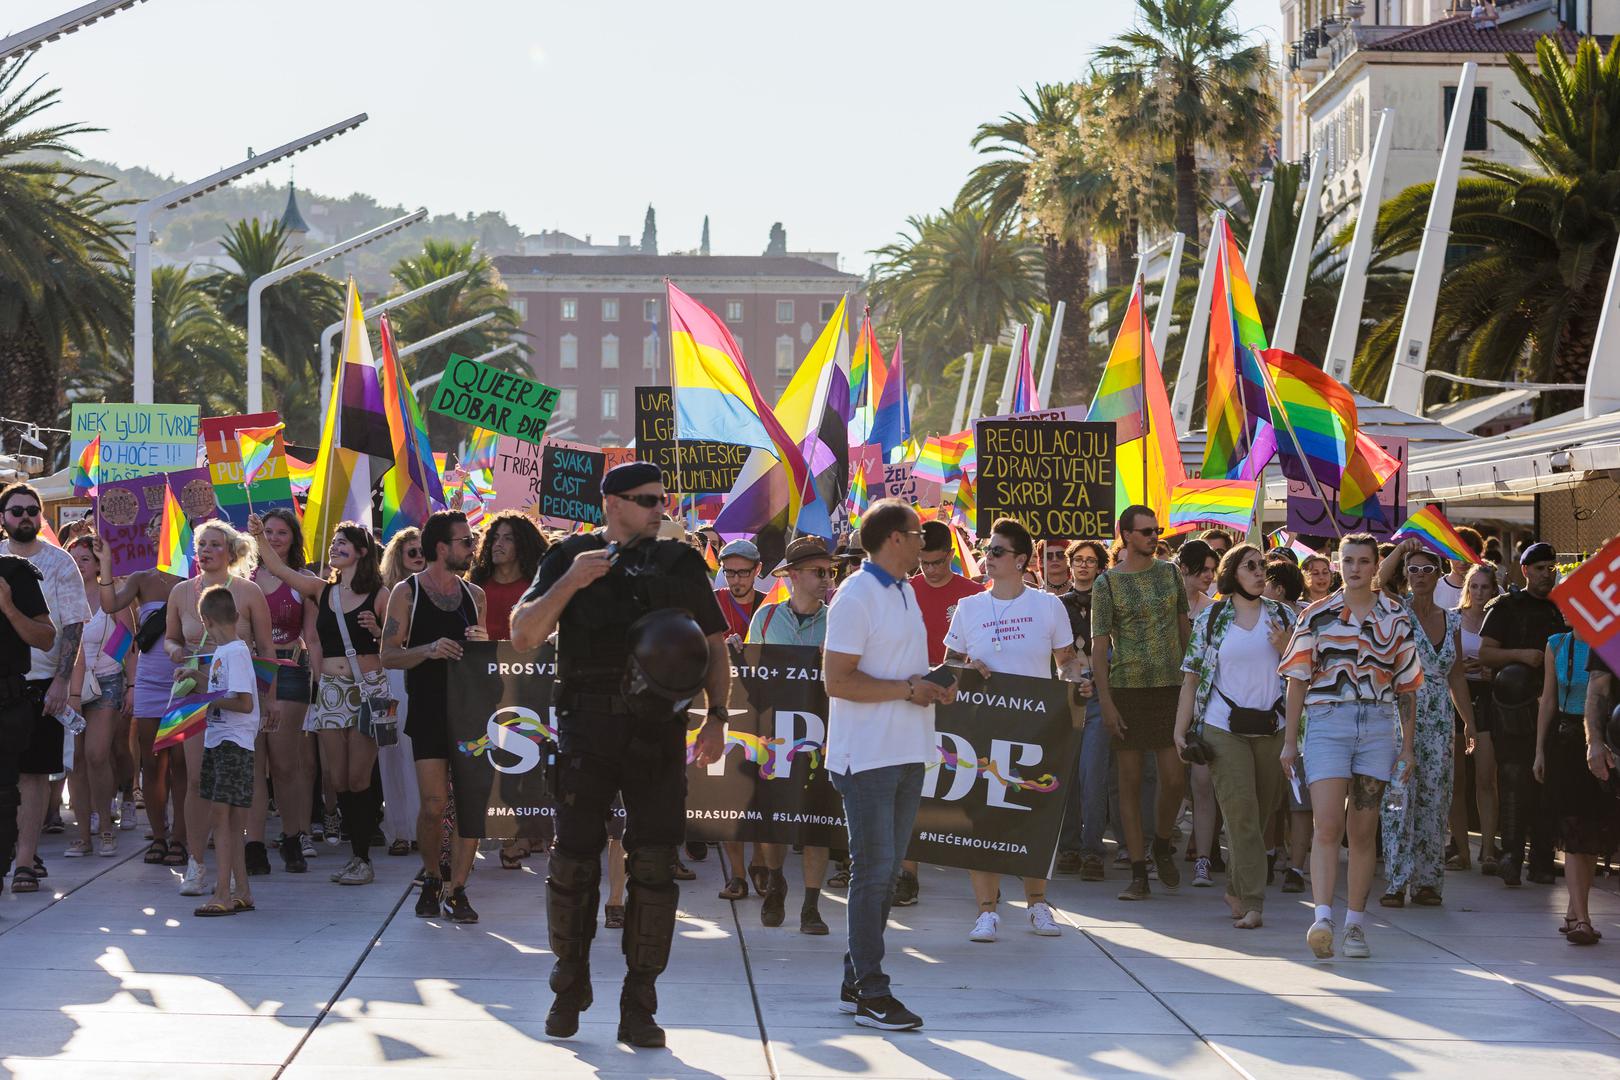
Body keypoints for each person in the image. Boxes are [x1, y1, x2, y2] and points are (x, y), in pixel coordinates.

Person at [510, 460, 730, 1048]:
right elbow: (524, 633)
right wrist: (572, 582)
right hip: (587, 729)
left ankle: (640, 1002)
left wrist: (719, 715)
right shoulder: (568, 557)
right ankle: (569, 982)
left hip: (658, 732)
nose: (662, 509)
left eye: (662, 499)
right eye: (647, 500)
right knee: (573, 859)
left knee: (655, 868)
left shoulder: (683, 563)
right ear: (612, 503)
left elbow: (714, 645)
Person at [823, 498, 955, 1031]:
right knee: (873, 875)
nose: (925, 542)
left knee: (883, 874)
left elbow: (903, 672)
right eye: (918, 532)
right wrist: (908, 689)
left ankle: (857, 981)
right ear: (894, 539)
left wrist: (940, 679)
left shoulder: (901, 590)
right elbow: (837, 680)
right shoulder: (857, 595)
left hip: (907, 752)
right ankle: (873, 992)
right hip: (868, 757)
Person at [1281, 533, 1420, 961]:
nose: (1355, 568)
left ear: (1376, 565)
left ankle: (1355, 925)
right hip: (1326, 723)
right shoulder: (1317, 615)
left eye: (1363, 560)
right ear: (1337, 564)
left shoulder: (1397, 617)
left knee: (1362, 831)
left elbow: (1408, 687)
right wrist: (1290, 741)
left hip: (1378, 727)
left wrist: (1408, 746)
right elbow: (1297, 679)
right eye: (1348, 560)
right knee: (1326, 825)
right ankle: (1322, 917)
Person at [945, 517, 1084, 942]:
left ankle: (1038, 904)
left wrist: (1078, 683)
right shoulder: (969, 607)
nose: (988, 558)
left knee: (1032, 815)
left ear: (1022, 560)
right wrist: (966, 668)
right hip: (981, 728)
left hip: (1036, 727)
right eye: (988, 550)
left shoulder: (1048, 606)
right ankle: (987, 911)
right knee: (982, 818)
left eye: (997, 552)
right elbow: (948, 664)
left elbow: (1066, 662)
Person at [251, 516, 388, 886]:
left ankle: (362, 858)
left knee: (359, 777)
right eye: (333, 542)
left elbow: (399, 640)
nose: (335, 547)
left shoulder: (381, 594)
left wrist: (379, 631)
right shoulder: (321, 590)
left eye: (343, 542)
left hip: (368, 689)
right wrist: (258, 536)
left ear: (362, 551)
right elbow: (278, 567)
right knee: (336, 776)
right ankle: (354, 858)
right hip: (330, 689)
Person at [1174, 544, 1294, 929]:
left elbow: (1307, 674)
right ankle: (1254, 901)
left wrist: (1286, 649)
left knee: (1259, 816)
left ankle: (1236, 889)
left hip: (1272, 727)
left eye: (1263, 566)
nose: (1260, 572)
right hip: (1222, 727)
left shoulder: (1282, 616)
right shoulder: (1213, 618)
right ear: (1232, 573)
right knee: (1240, 812)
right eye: (1251, 566)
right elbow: (1191, 677)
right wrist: (1180, 730)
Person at [382, 510, 487, 922]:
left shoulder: (474, 595)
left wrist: (483, 642)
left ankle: (458, 888)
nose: (472, 546)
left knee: (470, 805)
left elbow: (484, 656)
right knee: (433, 804)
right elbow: (389, 654)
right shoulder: (407, 593)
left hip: (469, 711)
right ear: (441, 547)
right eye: (465, 540)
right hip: (427, 709)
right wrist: (428, 649)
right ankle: (431, 875)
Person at [164, 520, 274, 897]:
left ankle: (236, 868)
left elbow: (266, 649)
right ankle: (196, 863)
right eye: (202, 545)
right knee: (196, 779)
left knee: (234, 784)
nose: (207, 551)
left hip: (235, 695)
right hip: (194, 691)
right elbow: (169, 638)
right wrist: (176, 651)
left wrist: (270, 697)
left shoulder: (248, 591)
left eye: (215, 544)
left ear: (230, 551)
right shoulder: (180, 592)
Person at [1092, 505, 1191, 901]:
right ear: (1126, 535)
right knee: (1129, 784)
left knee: (1173, 779)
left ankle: (1163, 843)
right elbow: (1100, 648)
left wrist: (1194, 688)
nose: (1154, 536)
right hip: (1127, 689)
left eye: (1156, 530)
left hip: (1170, 687)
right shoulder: (1107, 584)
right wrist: (1107, 703)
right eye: (1146, 531)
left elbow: (1186, 630)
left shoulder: (1170, 574)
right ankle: (1137, 870)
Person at [745, 535, 838, 934]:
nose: (826, 580)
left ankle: (812, 906)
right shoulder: (765, 619)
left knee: (818, 818)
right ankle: (777, 884)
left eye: (830, 572)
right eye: (819, 572)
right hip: (776, 736)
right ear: (794, 576)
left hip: (823, 735)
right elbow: (750, 680)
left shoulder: (837, 620)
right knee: (773, 817)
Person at [1375, 540, 1476, 907]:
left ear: (1439, 574)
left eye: (1426, 569)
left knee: (1435, 799)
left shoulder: (1452, 619)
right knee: (1399, 798)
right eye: (1413, 570)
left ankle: (1428, 881)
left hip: (1438, 721)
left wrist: (1468, 723)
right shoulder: (1397, 611)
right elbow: (1376, 583)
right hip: (1400, 714)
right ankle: (1396, 879)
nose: (1419, 576)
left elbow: (1457, 675)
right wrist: (1402, 551)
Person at [0, 484, 90, 895]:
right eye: (16, 511)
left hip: (41, 684)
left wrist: (61, 682)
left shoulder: (61, 563)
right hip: (3, 681)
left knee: (34, 776)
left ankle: (24, 861)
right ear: (2, 518)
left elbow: (72, 626)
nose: (25, 518)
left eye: (31, 511)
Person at [92, 535, 187, 868]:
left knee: (180, 764)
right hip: (149, 680)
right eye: (159, 527)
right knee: (152, 762)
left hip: (186, 681)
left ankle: (181, 836)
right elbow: (109, 605)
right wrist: (105, 563)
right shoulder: (141, 578)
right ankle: (159, 836)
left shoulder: (195, 576)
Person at [1478, 541, 1565, 887]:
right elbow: (1486, 653)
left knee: (1550, 785)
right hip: (1513, 710)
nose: (1547, 573)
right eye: (1540, 567)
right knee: (1515, 782)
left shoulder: (1563, 609)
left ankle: (1542, 859)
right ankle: (1511, 856)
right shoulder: (1505, 606)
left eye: (1552, 567)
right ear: (1525, 570)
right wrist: (1523, 656)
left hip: (1554, 707)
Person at [468, 509, 548, 869]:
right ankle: (513, 831)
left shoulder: (538, 586)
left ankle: (524, 833)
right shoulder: (475, 586)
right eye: (494, 537)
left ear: (524, 544)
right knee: (499, 760)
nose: (498, 545)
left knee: (530, 761)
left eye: (508, 538)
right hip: (488, 686)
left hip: (531, 685)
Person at [189, 585, 264, 918]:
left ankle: (222, 892)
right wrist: (198, 679)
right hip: (222, 740)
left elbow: (244, 703)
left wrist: (204, 700)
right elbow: (228, 692)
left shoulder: (234, 651)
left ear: (205, 621)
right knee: (230, 820)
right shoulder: (227, 652)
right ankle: (242, 889)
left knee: (222, 817)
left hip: (232, 742)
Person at [252, 508, 319, 874]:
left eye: (282, 532)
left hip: (290, 670)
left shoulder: (303, 580)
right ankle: (254, 845)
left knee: (283, 763)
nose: (275, 538)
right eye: (269, 532)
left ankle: (293, 838)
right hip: (249, 673)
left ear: (294, 538)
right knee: (254, 764)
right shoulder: (243, 577)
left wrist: (321, 679)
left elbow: (311, 635)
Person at [63, 536, 135, 859]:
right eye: (74, 558)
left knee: (96, 754)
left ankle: (106, 825)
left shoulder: (111, 595)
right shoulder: (62, 596)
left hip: (106, 681)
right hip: (70, 686)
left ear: (97, 564)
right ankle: (82, 835)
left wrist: (129, 683)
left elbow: (128, 641)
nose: (79, 564)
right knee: (74, 760)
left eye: (85, 559)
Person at [1553, 643, 1620, 945]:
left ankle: (1577, 915)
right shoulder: (1613, 628)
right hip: (1614, 750)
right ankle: (1579, 917)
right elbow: (1598, 688)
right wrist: (1593, 741)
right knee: (1583, 828)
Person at [1056, 539, 1111, 880]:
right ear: (1070, 563)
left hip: (1100, 696)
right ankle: (1069, 846)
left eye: (1091, 560)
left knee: (1094, 774)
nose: (1084, 565)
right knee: (1069, 775)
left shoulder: (1110, 604)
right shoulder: (1056, 606)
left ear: (1100, 566)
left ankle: (1093, 849)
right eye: (1079, 559)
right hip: (1066, 697)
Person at [0, 545, 53, 892]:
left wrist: (7, 606)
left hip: (6, 703)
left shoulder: (15, 574)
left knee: (5, 795)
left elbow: (46, 638)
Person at [377, 530, 426, 857]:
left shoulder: (445, 589)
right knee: (392, 751)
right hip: (392, 677)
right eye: (412, 553)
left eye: (423, 551)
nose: (419, 557)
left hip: (426, 674)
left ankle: (424, 825)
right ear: (399, 557)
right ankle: (398, 829)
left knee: (421, 755)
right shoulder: (387, 593)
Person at [1455, 563, 1501, 873]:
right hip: (1456, 699)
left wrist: (1490, 669)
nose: (1479, 592)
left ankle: (1488, 848)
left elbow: (1497, 660)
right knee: (1456, 781)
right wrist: (1470, 668)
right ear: (1467, 588)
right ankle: (1460, 850)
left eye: (1485, 587)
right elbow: (1451, 665)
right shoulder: (1453, 618)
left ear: (1494, 589)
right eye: (1474, 586)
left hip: (1486, 698)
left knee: (1486, 778)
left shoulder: (1499, 618)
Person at [1433, 526, 1484, 609]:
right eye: (1457, 555)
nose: (1463, 562)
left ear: (1477, 557)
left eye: (1468, 556)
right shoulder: (1434, 589)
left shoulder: (1490, 589)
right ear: (1447, 554)